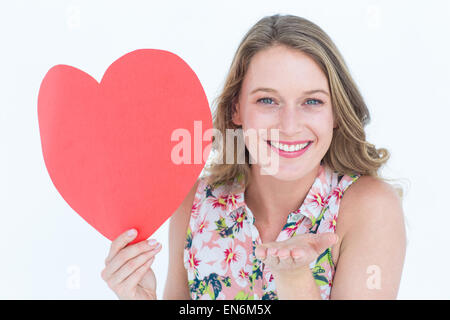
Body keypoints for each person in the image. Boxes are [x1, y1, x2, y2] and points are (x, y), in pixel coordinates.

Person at [100, 14, 406, 300]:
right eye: (268, 100)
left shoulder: (369, 207)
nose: (289, 126)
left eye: (312, 101)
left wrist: (295, 277)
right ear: (236, 109)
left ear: (336, 113)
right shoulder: (196, 203)